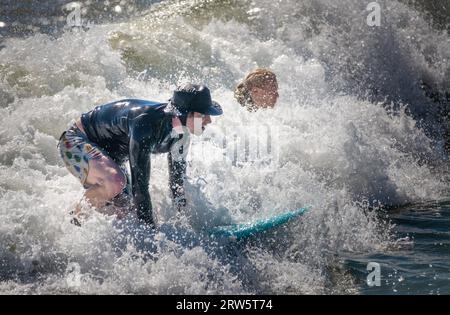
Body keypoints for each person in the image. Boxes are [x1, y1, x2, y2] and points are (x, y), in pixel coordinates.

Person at [57, 84, 223, 227]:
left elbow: (176, 185)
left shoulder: (182, 135)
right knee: (115, 181)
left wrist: (187, 224)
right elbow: (140, 186)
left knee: (125, 214)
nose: (209, 120)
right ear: (184, 114)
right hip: (75, 141)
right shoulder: (146, 126)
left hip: (110, 157)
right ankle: (73, 220)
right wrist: (150, 236)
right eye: (203, 115)